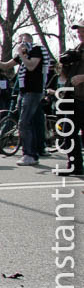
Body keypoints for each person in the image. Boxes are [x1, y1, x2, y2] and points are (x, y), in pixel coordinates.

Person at [0, 34, 46, 166]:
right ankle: (33, 151)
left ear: (30, 41)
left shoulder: (36, 50)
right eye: (19, 40)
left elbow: (31, 66)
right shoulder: (22, 54)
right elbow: (6, 66)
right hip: (23, 91)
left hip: (33, 91)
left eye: (24, 40)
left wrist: (22, 55)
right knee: (27, 122)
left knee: (24, 122)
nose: (21, 43)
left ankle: (30, 154)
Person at [58, 23, 84, 175]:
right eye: (79, 31)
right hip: (75, 98)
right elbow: (64, 76)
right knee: (68, 131)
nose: (80, 33)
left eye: (83, 31)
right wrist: (65, 65)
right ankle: (75, 166)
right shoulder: (76, 51)